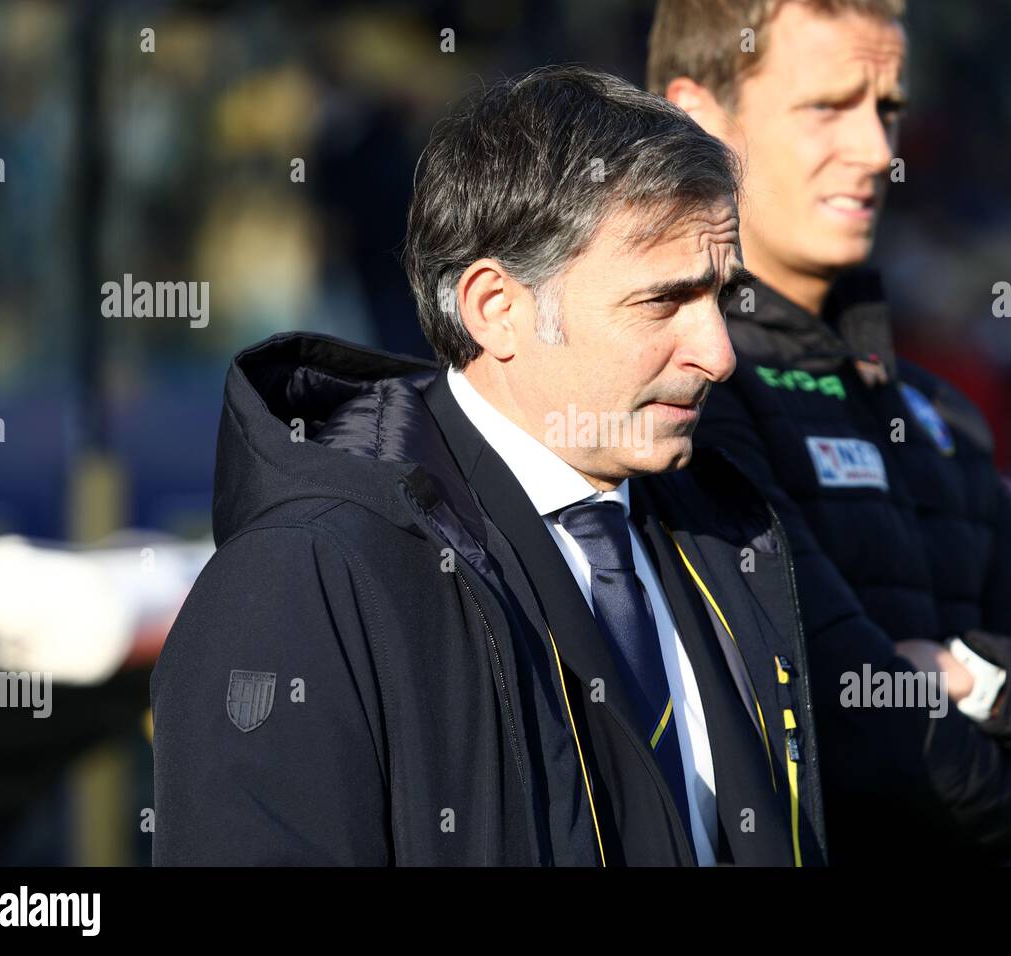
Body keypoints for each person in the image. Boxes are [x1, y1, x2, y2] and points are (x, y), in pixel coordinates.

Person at [151, 65, 825, 866]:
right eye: (662, 301)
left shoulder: (722, 534)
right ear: (496, 309)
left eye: (719, 296)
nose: (716, 353)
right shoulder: (309, 578)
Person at [648, 0, 1011, 862]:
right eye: (827, 105)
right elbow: (863, 744)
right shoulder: (681, 394)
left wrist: (973, 680)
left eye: (887, 108)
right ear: (696, 116)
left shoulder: (938, 414)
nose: (875, 151)